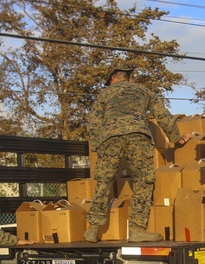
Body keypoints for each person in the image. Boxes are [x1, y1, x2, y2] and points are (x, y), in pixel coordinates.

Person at [83, 66, 195, 243]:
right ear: (129, 79)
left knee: (103, 181)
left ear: (113, 78)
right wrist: (176, 138)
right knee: (143, 180)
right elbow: (162, 114)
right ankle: (136, 229)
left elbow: (93, 121)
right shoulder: (144, 91)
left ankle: (93, 229)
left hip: (110, 138)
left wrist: (97, 145)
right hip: (138, 136)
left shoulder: (105, 93)